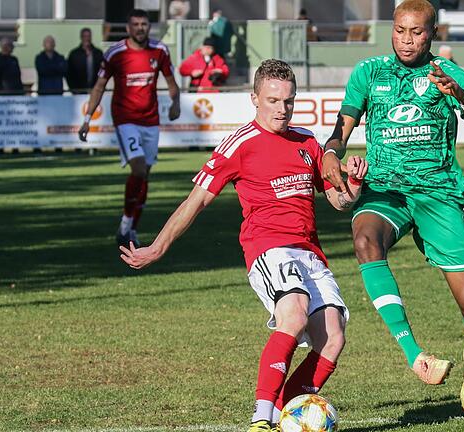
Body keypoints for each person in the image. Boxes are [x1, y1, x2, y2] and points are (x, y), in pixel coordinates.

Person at [120, 59, 368, 432]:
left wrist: (354, 185)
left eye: (288, 101)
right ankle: (261, 419)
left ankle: (290, 413)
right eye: (272, 100)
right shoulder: (241, 143)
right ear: (254, 98)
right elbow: (196, 201)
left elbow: (338, 201)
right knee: (294, 314)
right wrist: (158, 247)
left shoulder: (307, 143)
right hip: (269, 248)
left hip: (311, 253)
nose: (281, 109)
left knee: (332, 338)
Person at [321, 0, 464, 415]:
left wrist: (462, 100)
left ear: (433, 33)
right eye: (400, 30)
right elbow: (340, 132)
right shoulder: (369, 73)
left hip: (439, 194)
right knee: (365, 239)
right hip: (386, 188)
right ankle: (415, 354)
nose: (406, 39)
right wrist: (331, 153)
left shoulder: (449, 75)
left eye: (417, 32)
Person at [78, 9, 181, 248]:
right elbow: (99, 85)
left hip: (151, 120)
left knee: (146, 174)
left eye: (144, 24)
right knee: (138, 168)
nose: (140, 28)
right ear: (128, 28)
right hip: (125, 119)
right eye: (135, 24)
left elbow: (171, 82)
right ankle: (126, 223)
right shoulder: (115, 53)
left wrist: (175, 103)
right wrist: (87, 118)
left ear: (149, 27)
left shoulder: (160, 50)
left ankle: (131, 229)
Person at [66, 28, 104, 94]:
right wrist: (73, 90)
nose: (87, 39)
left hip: (96, 91)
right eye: (85, 36)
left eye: (89, 36)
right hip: (78, 91)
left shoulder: (98, 53)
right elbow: (69, 73)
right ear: (81, 37)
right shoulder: (74, 54)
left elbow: (102, 71)